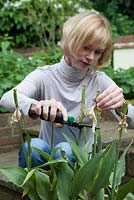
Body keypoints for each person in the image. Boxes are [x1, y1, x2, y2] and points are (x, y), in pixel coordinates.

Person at [0, 10, 133, 168]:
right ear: (71, 41)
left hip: (80, 169)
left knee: (66, 150)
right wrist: (36, 106)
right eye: (86, 47)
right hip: (43, 161)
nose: (91, 57)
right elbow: (7, 98)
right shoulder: (44, 76)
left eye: (98, 52)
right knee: (33, 147)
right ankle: (34, 191)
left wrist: (120, 106)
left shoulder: (99, 81)